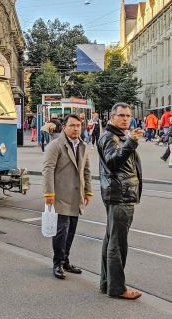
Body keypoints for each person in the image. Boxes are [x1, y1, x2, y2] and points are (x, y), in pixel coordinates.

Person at [96, 102, 143, 300]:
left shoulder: (117, 136)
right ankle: (117, 288)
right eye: (121, 115)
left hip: (118, 193)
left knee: (111, 240)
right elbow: (113, 161)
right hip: (120, 195)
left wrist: (129, 141)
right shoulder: (110, 137)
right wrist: (131, 142)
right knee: (117, 243)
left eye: (128, 115)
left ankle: (108, 283)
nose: (126, 118)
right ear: (112, 117)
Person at [42, 114, 93, 280]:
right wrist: (49, 193)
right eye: (72, 125)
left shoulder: (83, 145)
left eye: (78, 125)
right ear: (64, 127)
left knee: (71, 230)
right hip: (60, 195)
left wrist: (88, 191)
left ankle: (65, 261)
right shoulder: (55, 145)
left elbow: (86, 170)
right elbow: (48, 170)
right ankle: (57, 263)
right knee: (61, 232)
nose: (76, 128)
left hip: (76, 196)